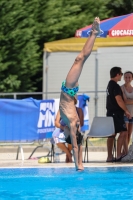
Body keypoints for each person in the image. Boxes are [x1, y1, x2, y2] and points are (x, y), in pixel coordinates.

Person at [59, 17, 101, 170]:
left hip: (71, 92)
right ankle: (94, 33)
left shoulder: (73, 124)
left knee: (81, 59)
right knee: (80, 58)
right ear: (70, 134)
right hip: (68, 89)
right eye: (65, 134)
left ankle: (94, 33)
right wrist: (77, 163)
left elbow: (78, 142)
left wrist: (80, 165)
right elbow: (76, 146)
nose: (62, 131)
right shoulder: (72, 124)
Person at [106, 66, 131, 162]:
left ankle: (109, 156)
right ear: (117, 74)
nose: (121, 76)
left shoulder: (109, 85)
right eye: (121, 74)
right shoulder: (115, 86)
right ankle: (119, 155)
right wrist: (126, 111)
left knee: (112, 134)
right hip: (116, 113)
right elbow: (119, 100)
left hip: (110, 112)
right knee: (124, 132)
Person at [52, 96, 84, 163]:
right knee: (55, 136)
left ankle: (68, 155)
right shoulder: (61, 110)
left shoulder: (79, 110)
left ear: (74, 102)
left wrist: (74, 128)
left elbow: (81, 123)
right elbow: (56, 123)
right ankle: (69, 154)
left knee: (72, 136)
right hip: (62, 128)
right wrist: (64, 128)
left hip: (74, 129)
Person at [121, 71, 133, 146]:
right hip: (125, 113)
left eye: (129, 77)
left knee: (129, 134)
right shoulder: (121, 88)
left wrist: (129, 101)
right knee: (124, 133)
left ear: (132, 78)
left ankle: (126, 152)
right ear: (123, 78)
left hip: (132, 114)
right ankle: (123, 151)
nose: (127, 79)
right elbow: (124, 101)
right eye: (126, 77)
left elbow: (127, 101)